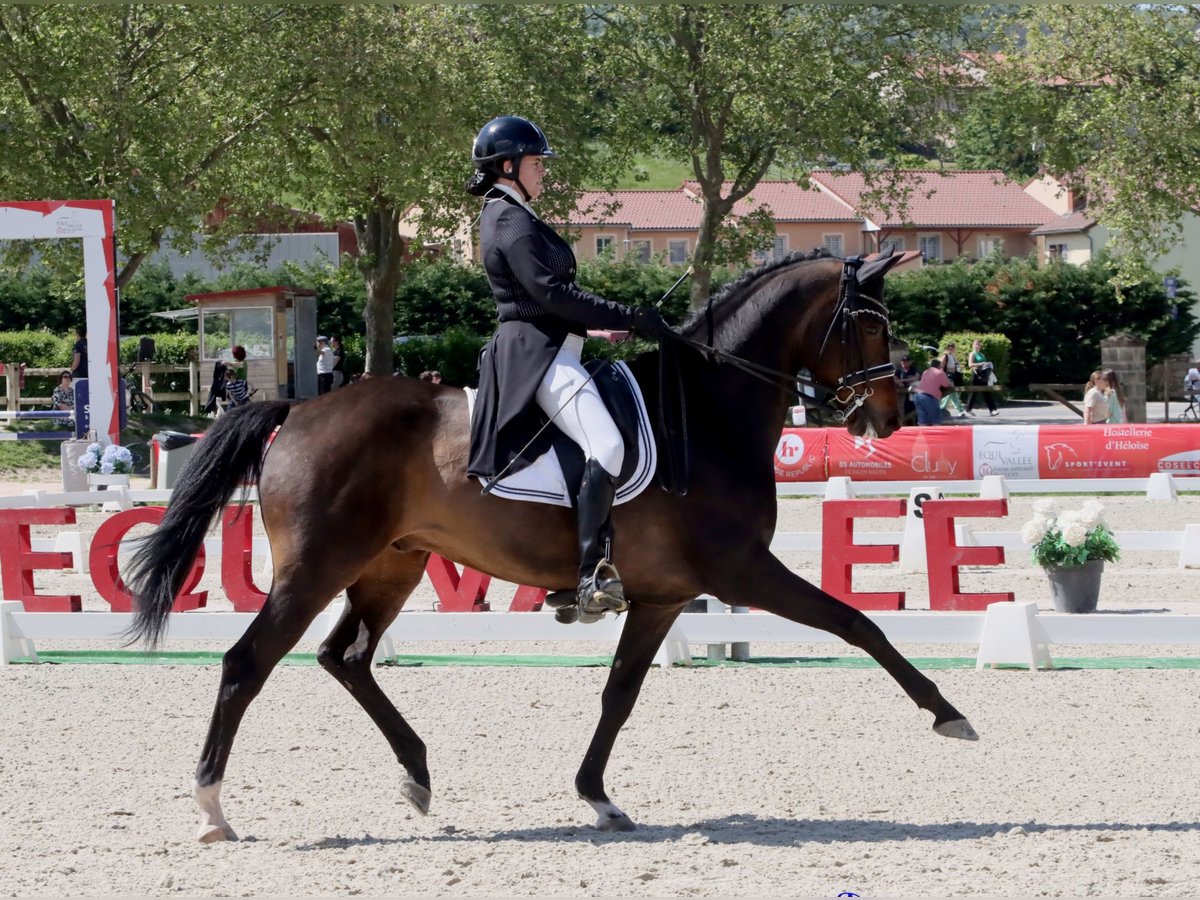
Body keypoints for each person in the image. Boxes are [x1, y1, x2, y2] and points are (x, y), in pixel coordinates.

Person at [464, 115, 669, 624]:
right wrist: (628, 316)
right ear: (508, 167)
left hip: (555, 346)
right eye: (537, 164)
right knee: (609, 446)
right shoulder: (509, 219)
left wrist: (597, 329)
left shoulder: (509, 214)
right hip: (540, 357)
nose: (543, 173)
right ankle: (591, 575)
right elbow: (550, 293)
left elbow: (545, 302)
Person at [911, 358, 953, 425]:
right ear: (939, 366)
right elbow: (947, 385)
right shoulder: (940, 373)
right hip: (929, 397)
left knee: (922, 420)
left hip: (918, 395)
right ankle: (936, 434)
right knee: (936, 419)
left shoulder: (926, 371)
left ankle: (922, 434)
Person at [964, 339, 999, 416]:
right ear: (973, 346)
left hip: (983, 374)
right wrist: (980, 363)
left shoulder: (982, 354)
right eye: (975, 344)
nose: (977, 346)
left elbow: (984, 365)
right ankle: (967, 410)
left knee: (987, 392)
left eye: (978, 344)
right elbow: (970, 365)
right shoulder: (972, 354)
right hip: (976, 374)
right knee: (973, 393)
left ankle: (992, 410)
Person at [894, 354, 919, 420]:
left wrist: (902, 380)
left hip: (912, 392)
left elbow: (915, 378)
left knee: (914, 407)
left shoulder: (913, 369)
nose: (904, 363)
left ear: (910, 362)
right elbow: (894, 379)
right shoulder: (898, 370)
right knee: (904, 409)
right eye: (903, 361)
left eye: (906, 361)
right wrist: (899, 382)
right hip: (902, 394)